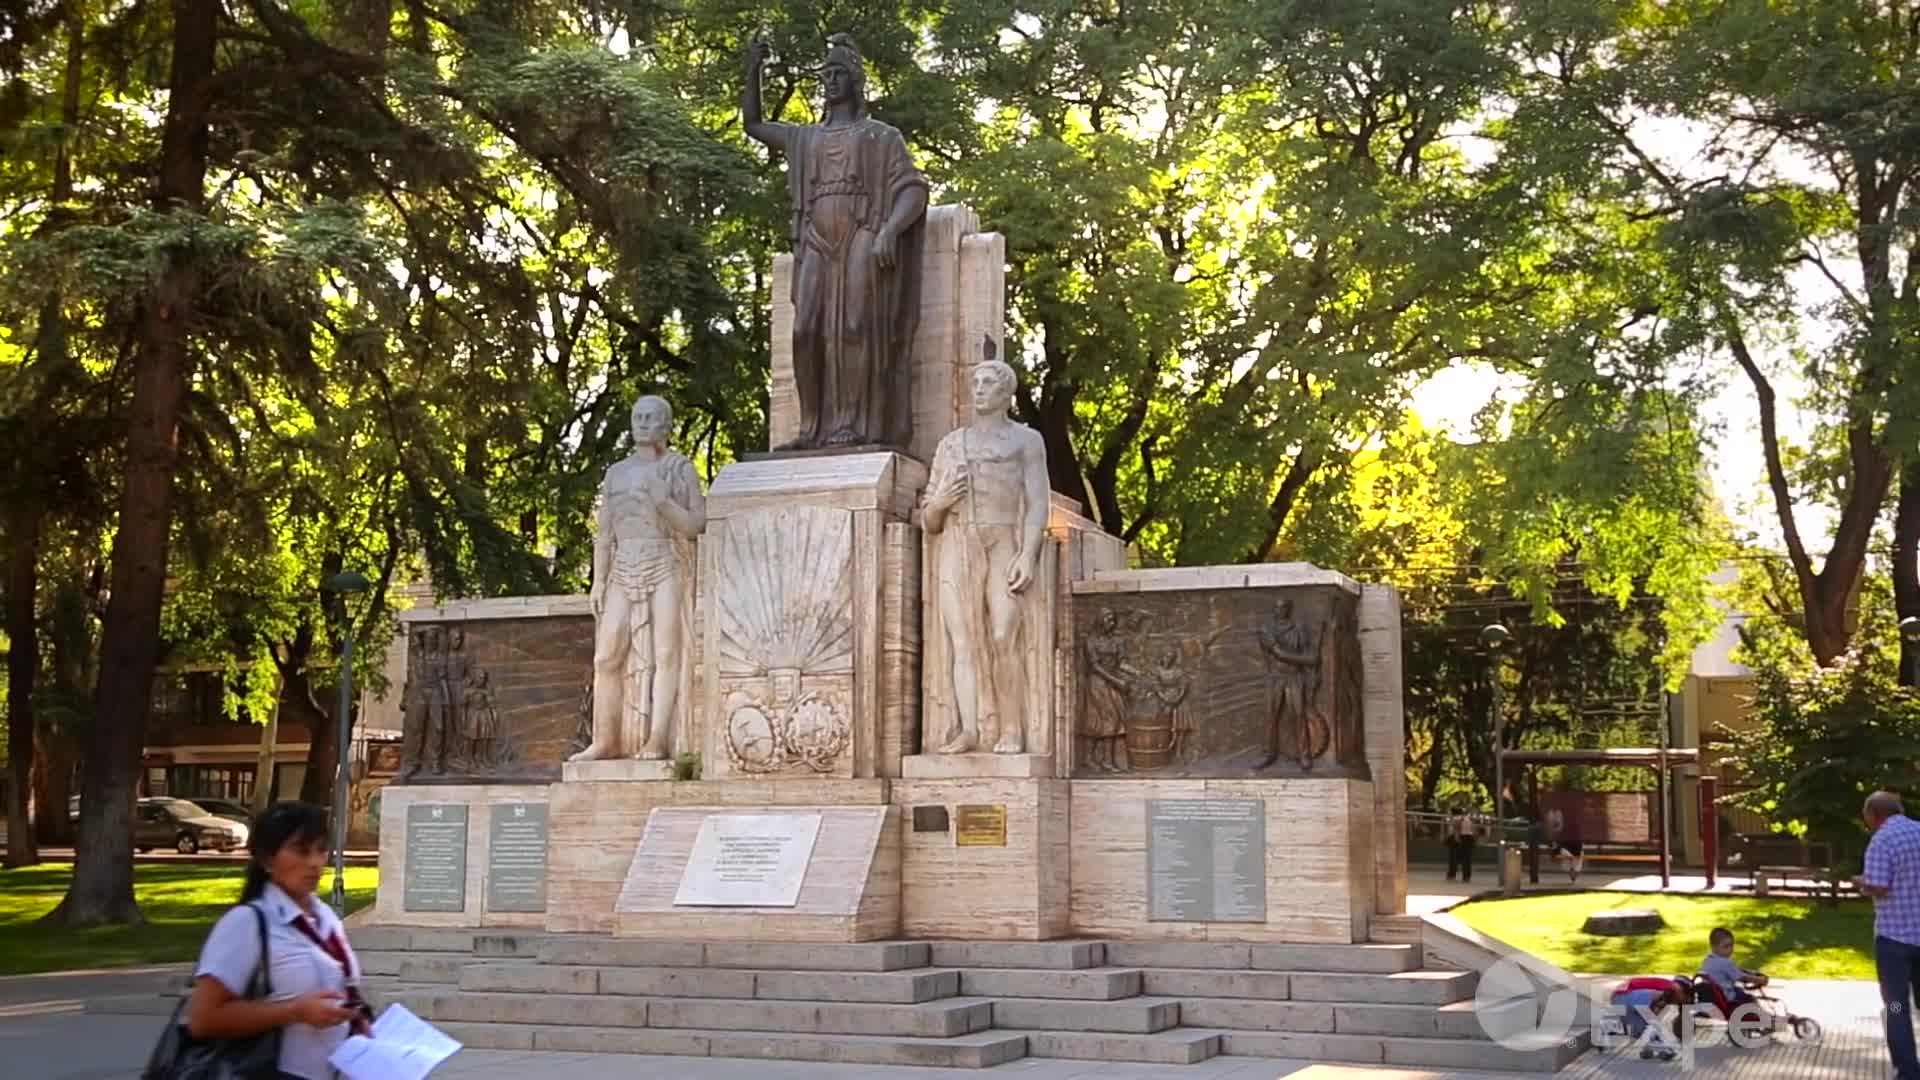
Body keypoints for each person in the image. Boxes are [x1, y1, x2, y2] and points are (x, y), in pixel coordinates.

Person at [188, 802, 370, 1080]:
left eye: (321, 849)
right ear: (267, 859)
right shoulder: (247, 922)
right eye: (301, 850)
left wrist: (358, 1020)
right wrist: (294, 1012)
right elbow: (203, 1019)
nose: (315, 862)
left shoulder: (326, 917)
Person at [1858, 790, 1920, 1080]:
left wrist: (1862, 883)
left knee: (1896, 1006)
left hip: (1894, 940)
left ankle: (1908, 1071)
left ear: (1874, 815)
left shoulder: (1881, 841)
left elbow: (1880, 887)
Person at [1699, 927, 1768, 1011]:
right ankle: (1761, 1017)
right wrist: (1759, 980)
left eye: (1732, 945)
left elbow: (1735, 970)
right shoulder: (1726, 962)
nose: (1730, 950)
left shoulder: (1707, 961)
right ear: (1714, 947)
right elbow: (1742, 978)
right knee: (1750, 998)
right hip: (1727, 998)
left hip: (1713, 997)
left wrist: (1750, 972)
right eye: (1726, 947)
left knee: (1738, 989)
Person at [1446, 805, 1477, 883]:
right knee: (1466, 858)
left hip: (1460, 837)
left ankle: (1451, 875)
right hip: (1468, 837)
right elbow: (1473, 829)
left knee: (1454, 857)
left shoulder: (1456, 819)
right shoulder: (1467, 819)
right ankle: (1466, 877)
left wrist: (1457, 837)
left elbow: (1457, 828)